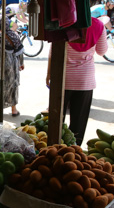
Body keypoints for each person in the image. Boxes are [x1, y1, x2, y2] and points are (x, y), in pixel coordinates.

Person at [45, 17, 107, 145]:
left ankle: (54, 148)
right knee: (79, 121)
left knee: (56, 119)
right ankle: (74, 152)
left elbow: (53, 52)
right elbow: (102, 51)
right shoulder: (98, 25)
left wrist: (48, 74)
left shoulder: (62, 21)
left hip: (62, 78)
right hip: (85, 80)